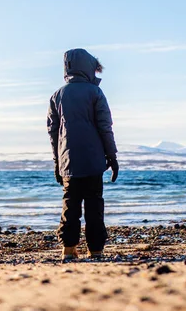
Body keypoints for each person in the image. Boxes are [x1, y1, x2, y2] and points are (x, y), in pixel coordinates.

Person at [47, 48, 119, 261]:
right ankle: (95, 249)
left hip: (68, 161)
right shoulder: (95, 93)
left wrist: (57, 162)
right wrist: (112, 157)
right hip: (94, 160)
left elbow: (53, 132)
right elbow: (105, 127)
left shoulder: (57, 95)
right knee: (94, 204)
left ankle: (68, 249)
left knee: (70, 204)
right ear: (88, 68)